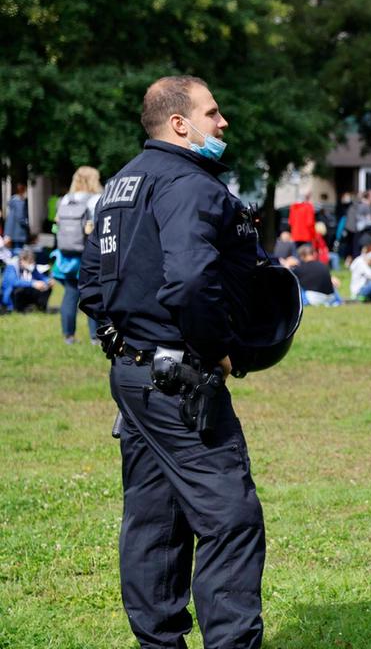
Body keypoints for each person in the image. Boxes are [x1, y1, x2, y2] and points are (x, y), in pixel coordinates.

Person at [77, 75, 270, 649]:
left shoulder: (117, 185)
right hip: (181, 381)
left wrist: (125, 337)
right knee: (230, 519)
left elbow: (90, 285)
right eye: (213, 113)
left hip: (133, 376)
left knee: (154, 519)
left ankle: (159, 642)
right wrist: (216, 349)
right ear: (180, 124)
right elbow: (190, 280)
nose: (223, 122)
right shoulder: (191, 184)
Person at [51, 166, 104, 343]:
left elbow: (56, 225)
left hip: (67, 254)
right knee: (93, 293)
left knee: (70, 293)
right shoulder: (96, 199)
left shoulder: (65, 199)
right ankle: (95, 336)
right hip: (88, 253)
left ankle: (68, 335)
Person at [2, 248, 52, 313]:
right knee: (21, 289)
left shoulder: (30, 267)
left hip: (26, 291)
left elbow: (39, 276)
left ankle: (40, 308)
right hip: (11, 295)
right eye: (30, 262)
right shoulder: (11, 266)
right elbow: (14, 282)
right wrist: (33, 283)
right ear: (22, 260)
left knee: (45, 287)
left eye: (33, 261)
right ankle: (16, 309)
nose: (32, 264)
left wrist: (48, 280)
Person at [5, 182, 29, 248]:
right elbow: (20, 216)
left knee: (13, 250)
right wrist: (26, 223)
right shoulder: (20, 201)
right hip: (18, 231)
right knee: (18, 251)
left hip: (12, 230)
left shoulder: (13, 200)